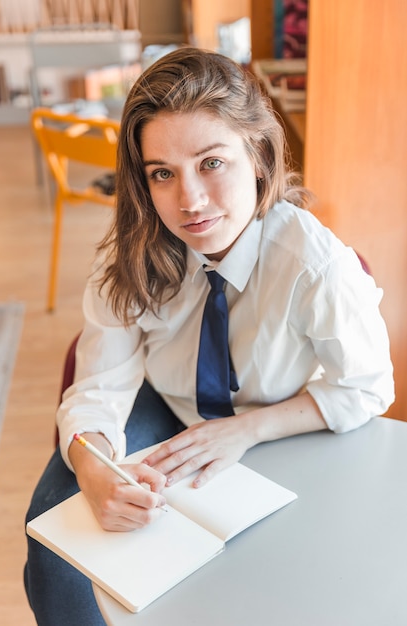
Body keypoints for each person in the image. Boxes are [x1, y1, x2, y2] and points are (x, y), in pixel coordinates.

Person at [24, 47, 394, 625]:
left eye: (211, 162)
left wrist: (246, 430)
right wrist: (95, 469)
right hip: (165, 397)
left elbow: (368, 389)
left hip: (272, 414)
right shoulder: (131, 254)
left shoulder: (316, 264)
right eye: (162, 174)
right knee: (59, 550)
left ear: (259, 155)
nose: (190, 202)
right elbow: (98, 388)